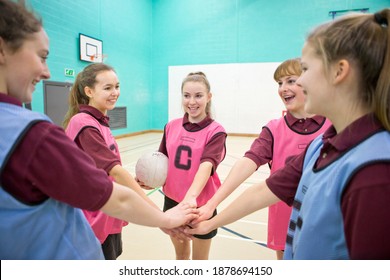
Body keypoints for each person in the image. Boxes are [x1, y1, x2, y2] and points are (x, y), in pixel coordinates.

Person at [0, 0, 197, 260]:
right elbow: (115, 195)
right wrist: (162, 217)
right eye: (42, 56)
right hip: (84, 235)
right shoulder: (38, 132)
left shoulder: (98, 123)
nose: (46, 71)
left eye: (117, 86)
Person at [187, 9, 390, 260]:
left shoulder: (374, 171)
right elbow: (264, 191)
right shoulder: (321, 146)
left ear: (339, 72)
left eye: (304, 70)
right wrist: (207, 220)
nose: (298, 83)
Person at [194, 58, 330, 260]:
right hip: (286, 222)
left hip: (324, 220)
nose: (283, 88)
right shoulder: (274, 129)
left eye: (290, 81)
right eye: (279, 83)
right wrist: (211, 204)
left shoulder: (333, 125)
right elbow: (247, 163)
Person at [63, 63, 165, 259]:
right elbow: (115, 171)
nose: (115, 92)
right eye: (107, 88)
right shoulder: (83, 123)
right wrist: (157, 214)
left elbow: (100, 172)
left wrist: (130, 185)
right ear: (89, 91)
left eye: (117, 86)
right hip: (91, 217)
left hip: (108, 213)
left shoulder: (99, 122)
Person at [150, 72, 227, 260]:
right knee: (182, 256)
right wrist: (148, 179)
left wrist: (191, 197)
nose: (192, 101)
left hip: (200, 205)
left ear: (209, 97)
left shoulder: (216, 132)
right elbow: (162, 161)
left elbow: (206, 165)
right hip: (173, 201)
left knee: (199, 261)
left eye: (198, 95)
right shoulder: (171, 127)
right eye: (187, 95)